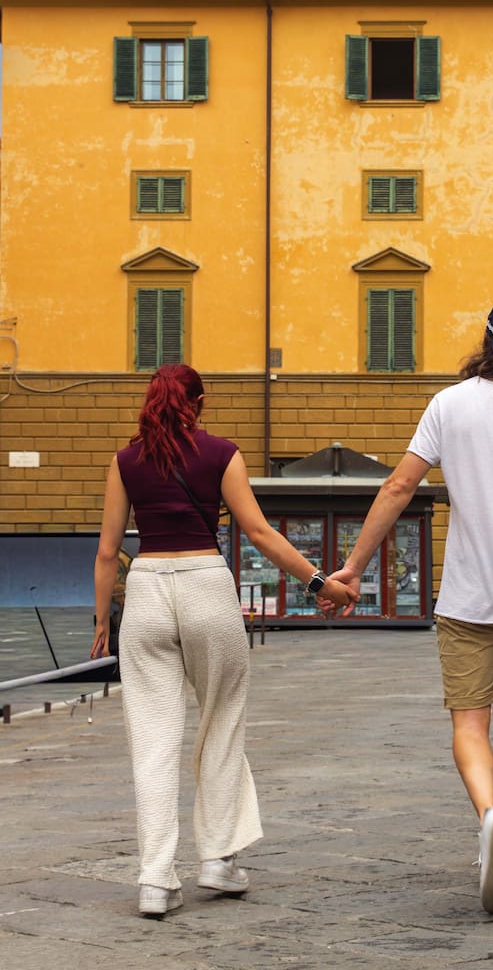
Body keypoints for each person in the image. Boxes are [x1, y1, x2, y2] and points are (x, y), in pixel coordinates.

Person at [328, 299, 493, 914]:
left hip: (468, 593)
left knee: (469, 723)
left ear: (488, 343)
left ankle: (489, 817)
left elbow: (399, 486)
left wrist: (355, 565)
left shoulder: (449, 405)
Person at [90, 364, 353, 918]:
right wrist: (317, 582)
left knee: (153, 740)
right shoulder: (222, 453)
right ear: (200, 402)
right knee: (222, 722)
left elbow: (108, 551)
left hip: (145, 594)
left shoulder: (124, 461)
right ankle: (218, 860)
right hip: (207, 586)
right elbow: (258, 532)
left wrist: (99, 622)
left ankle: (156, 881)